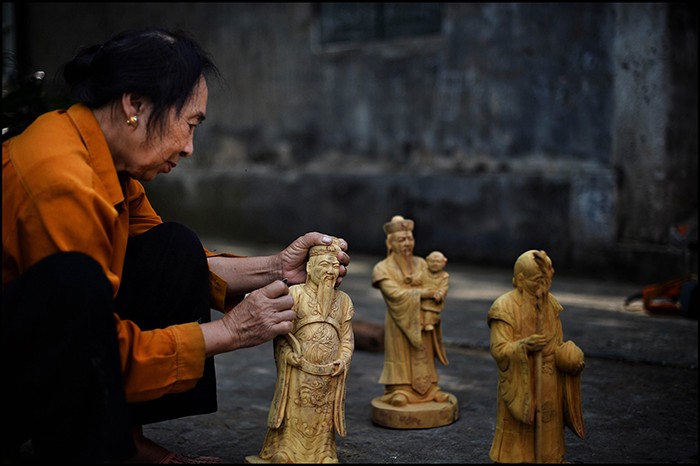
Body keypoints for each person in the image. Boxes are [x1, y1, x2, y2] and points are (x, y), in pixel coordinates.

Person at [1, 27, 349, 464]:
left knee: (173, 248)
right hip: (22, 378)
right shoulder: (59, 181)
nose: (188, 148)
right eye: (189, 124)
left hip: (47, 353)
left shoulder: (104, 157)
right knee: (78, 282)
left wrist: (279, 268)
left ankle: (127, 440)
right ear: (135, 106)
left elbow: (177, 265)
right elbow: (91, 346)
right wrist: (229, 331)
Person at [246, 237, 354, 464]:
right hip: (298, 374)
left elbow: (346, 337)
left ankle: (323, 453)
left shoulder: (344, 301)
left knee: (322, 419)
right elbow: (282, 335)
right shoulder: (295, 294)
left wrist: (343, 360)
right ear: (309, 267)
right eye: (324, 265)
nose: (330, 272)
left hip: (327, 375)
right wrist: (288, 356)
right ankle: (285, 451)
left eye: (335, 266)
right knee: (293, 413)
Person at [487, 250, 585, 464]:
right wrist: (524, 346)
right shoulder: (504, 307)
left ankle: (551, 459)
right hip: (521, 379)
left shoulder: (551, 305)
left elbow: (557, 344)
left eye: (547, 281)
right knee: (522, 424)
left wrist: (569, 357)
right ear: (521, 280)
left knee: (549, 422)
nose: (543, 289)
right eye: (538, 282)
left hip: (549, 379)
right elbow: (499, 349)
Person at [371, 216, 450, 408]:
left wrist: (437, 291)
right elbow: (394, 294)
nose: (407, 244)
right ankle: (399, 390)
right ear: (390, 243)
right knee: (401, 355)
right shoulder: (382, 268)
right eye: (401, 240)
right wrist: (424, 293)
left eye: (410, 239)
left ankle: (430, 390)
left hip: (423, 318)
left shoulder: (422, 263)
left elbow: (437, 280)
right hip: (400, 320)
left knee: (424, 353)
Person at [421, 250, 449, 332]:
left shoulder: (444, 276)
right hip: (422, 297)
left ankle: (428, 323)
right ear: (427, 261)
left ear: (444, 263)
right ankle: (423, 323)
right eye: (432, 261)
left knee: (430, 313)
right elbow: (417, 280)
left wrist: (440, 294)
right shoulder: (423, 273)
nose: (435, 264)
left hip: (433, 300)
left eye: (438, 262)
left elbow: (444, 288)